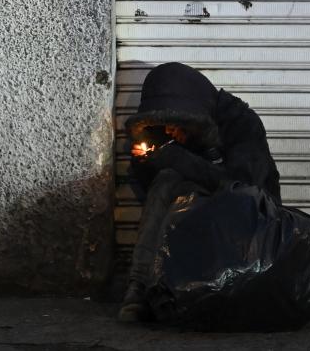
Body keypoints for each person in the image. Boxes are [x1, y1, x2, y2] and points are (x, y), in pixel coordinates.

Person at [118, 62, 282, 322]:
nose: (171, 132)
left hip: (248, 227)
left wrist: (175, 157)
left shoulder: (240, 123)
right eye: (167, 126)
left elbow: (244, 187)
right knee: (166, 181)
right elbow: (154, 191)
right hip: (197, 223)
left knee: (174, 175)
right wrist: (147, 161)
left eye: (177, 125)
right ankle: (140, 286)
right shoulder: (172, 130)